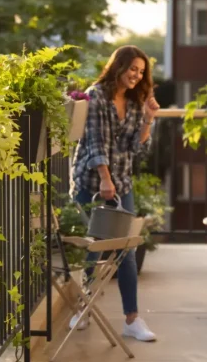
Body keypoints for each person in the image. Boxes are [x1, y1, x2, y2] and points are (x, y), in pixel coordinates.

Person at [69, 45, 160, 342]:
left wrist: (148, 118)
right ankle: (83, 308)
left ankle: (132, 319)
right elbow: (95, 142)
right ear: (118, 66)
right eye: (132, 68)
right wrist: (104, 180)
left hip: (121, 184)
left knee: (127, 251)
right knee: (89, 249)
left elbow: (137, 148)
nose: (136, 75)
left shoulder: (135, 102)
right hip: (90, 183)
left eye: (141, 71)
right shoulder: (96, 95)